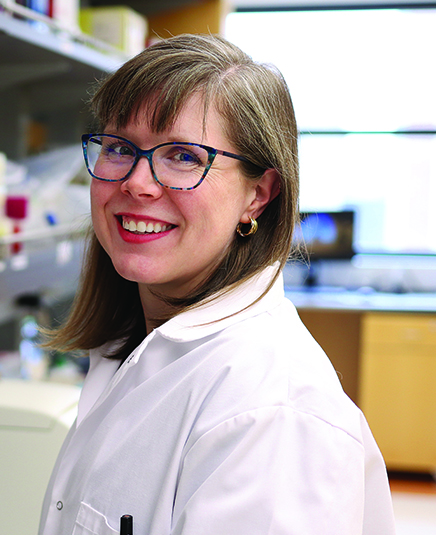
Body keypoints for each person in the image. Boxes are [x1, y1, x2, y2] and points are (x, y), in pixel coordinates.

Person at [38, 34, 396, 535]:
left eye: (183, 156)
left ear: (258, 196)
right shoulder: (142, 349)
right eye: (120, 147)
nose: (137, 183)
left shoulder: (270, 413)